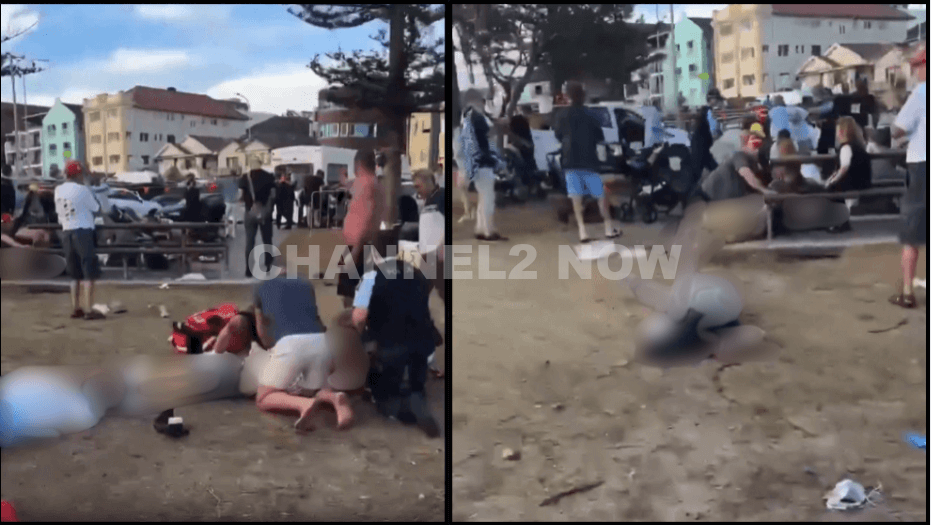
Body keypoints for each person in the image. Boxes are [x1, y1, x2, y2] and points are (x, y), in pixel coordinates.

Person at [251, 276, 360, 432]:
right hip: (322, 341)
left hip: (290, 343)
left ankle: (303, 405)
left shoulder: (260, 286)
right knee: (313, 389)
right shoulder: (305, 284)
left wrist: (271, 349)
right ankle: (334, 398)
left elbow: (262, 331)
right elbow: (317, 318)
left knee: (264, 397)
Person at [349, 254, 440, 437]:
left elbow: (358, 318)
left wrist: (359, 342)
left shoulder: (371, 277)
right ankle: (415, 393)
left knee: (384, 391)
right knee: (415, 379)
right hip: (424, 345)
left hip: (390, 347)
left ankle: (395, 407)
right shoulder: (417, 276)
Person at [555, 81, 621, 243]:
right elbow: (600, 137)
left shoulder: (562, 115)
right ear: (583, 96)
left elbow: (558, 135)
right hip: (589, 161)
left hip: (570, 161)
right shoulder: (590, 114)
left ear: (569, 96)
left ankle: (583, 232)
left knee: (576, 197)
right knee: (600, 195)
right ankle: (608, 228)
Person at [888, 46, 926, 309]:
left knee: (912, 231)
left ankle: (907, 291)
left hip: (922, 167)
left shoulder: (922, 92)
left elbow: (898, 129)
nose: (915, 71)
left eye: (918, 66)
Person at [54, 161, 105, 321]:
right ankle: (89, 309)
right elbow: (96, 209)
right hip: (83, 231)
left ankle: (76, 308)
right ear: (78, 174)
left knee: (74, 274)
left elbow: (59, 211)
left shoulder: (58, 190)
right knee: (88, 272)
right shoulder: (82, 190)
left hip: (66, 231)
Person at [337, 149, 386, 308]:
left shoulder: (365, 184)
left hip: (358, 245)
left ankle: (353, 327)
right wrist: (343, 180)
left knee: (349, 294)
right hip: (367, 244)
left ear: (358, 164)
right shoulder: (373, 183)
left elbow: (367, 217)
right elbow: (349, 185)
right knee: (364, 290)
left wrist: (355, 251)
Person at [458, 88, 505, 241]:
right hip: (483, 162)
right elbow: (486, 136)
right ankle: (488, 230)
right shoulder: (476, 117)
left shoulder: (468, 116)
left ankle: (481, 228)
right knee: (488, 197)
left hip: (477, 162)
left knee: (483, 197)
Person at [693, 126, 774, 203]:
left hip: (718, 200)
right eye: (755, 145)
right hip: (706, 198)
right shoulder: (740, 156)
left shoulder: (752, 162)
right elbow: (746, 173)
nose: (758, 150)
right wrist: (764, 190)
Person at [825, 116, 872, 233]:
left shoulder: (846, 147)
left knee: (832, 190)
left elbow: (844, 167)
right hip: (863, 181)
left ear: (841, 131)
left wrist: (831, 181)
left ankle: (839, 222)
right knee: (835, 189)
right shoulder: (859, 145)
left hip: (854, 182)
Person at [239, 158, 276, 277]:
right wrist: (269, 208)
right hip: (265, 213)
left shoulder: (245, 177)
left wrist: (248, 203)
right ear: (261, 164)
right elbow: (274, 194)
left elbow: (240, 196)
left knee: (249, 242)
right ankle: (269, 266)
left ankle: (249, 270)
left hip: (250, 213)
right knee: (267, 240)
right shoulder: (269, 176)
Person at [690, 90, 722, 181]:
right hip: (701, 146)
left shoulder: (704, 110)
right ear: (711, 100)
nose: (719, 102)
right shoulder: (709, 112)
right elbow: (713, 131)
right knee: (698, 172)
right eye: (717, 99)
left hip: (701, 145)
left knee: (703, 170)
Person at [451, 159, 474, 223]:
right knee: (465, 197)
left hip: (461, 179)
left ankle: (468, 213)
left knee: (464, 197)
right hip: (462, 179)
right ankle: (469, 213)